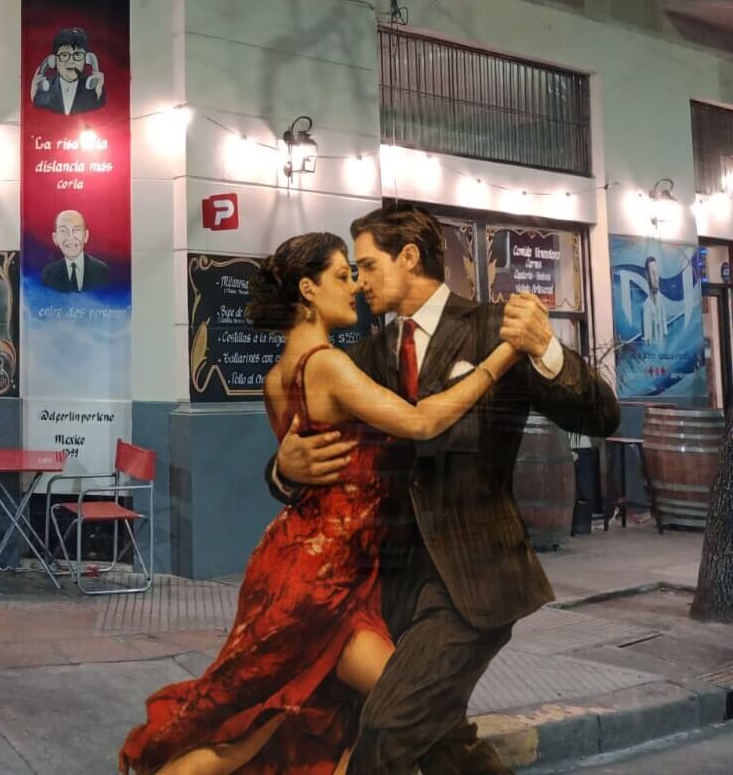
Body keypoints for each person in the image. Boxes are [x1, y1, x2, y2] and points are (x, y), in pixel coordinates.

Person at [119, 232, 522, 775]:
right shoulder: (326, 365)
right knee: (271, 722)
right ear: (308, 290)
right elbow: (423, 421)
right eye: (342, 275)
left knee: (294, 722)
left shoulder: (276, 377)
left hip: (308, 565)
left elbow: (312, 468)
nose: (354, 285)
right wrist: (503, 358)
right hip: (322, 582)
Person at [265, 204, 618, 774]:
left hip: (474, 578)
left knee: (385, 729)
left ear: (409, 258)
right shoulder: (364, 357)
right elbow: (312, 456)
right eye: (351, 270)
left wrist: (548, 350)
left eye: (368, 265)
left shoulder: (492, 327)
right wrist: (285, 468)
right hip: (386, 584)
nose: (359, 281)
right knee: (440, 740)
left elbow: (602, 417)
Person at [31, 27, 106, 115]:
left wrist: (98, 93)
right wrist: (34, 93)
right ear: (54, 60)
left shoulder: (91, 88)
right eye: (64, 55)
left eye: (77, 54)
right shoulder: (46, 89)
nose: (70, 61)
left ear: (86, 59)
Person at [42, 209, 111, 293]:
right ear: (55, 238)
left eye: (76, 230)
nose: (71, 238)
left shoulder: (103, 271)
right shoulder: (48, 274)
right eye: (63, 231)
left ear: (86, 236)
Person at [641, 256, 669, 345]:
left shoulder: (662, 304)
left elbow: (666, 337)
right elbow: (646, 343)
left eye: (657, 274)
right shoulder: (645, 307)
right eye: (653, 274)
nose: (656, 279)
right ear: (647, 276)